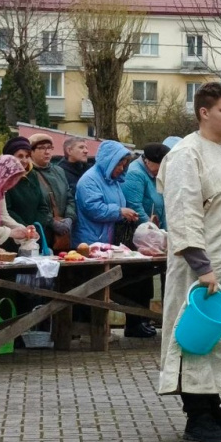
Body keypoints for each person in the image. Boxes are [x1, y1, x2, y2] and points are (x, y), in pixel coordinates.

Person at [157, 82, 221, 442]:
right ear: (204, 112)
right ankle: (196, 417)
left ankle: (212, 405)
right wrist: (203, 267)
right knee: (196, 339)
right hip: (200, 270)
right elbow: (183, 214)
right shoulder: (186, 154)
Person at [74, 140, 155, 339]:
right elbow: (93, 208)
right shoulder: (89, 180)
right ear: (109, 161)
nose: (121, 169)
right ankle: (89, 329)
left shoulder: (114, 182)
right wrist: (120, 212)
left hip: (107, 241)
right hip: (90, 240)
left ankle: (134, 321)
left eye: (124, 165)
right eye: (119, 164)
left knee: (133, 280)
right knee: (91, 287)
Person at [29, 134, 76, 251]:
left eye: (49, 148)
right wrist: (51, 223)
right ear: (31, 151)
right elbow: (32, 205)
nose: (47, 152)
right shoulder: (28, 174)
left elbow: (69, 197)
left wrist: (69, 218)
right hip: (39, 234)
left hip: (62, 234)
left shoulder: (59, 171)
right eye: (42, 148)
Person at [2, 137, 52, 245]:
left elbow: (42, 206)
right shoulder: (3, 178)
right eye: (20, 156)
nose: (24, 160)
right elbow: (5, 211)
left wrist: (34, 227)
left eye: (27, 156)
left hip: (33, 236)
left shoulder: (32, 175)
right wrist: (24, 228)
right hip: (10, 237)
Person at [121, 142, 170, 229]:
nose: (163, 170)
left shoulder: (152, 173)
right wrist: (154, 230)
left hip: (155, 229)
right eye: (161, 166)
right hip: (142, 232)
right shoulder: (135, 174)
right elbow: (135, 206)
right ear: (148, 161)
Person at [0, 155, 30, 245]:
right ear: (1, 173)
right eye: (10, 179)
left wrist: (24, 231)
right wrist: (10, 232)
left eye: (15, 180)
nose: (11, 184)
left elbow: (2, 215)